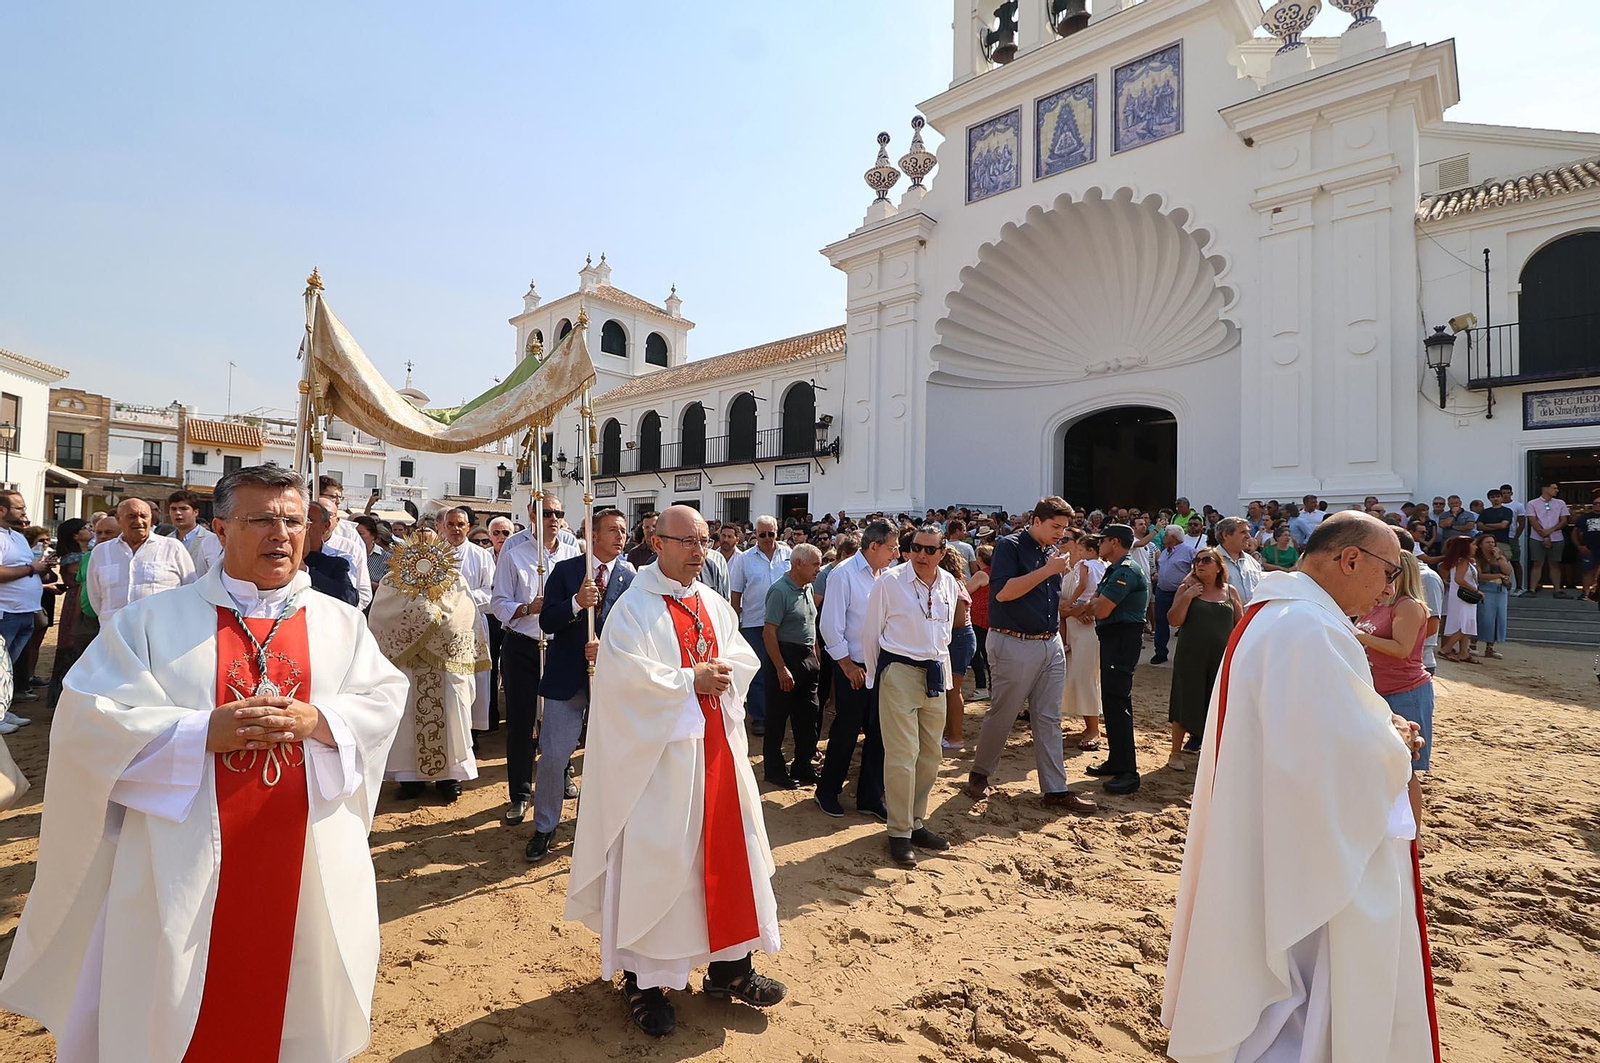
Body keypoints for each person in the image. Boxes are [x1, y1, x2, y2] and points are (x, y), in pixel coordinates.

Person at [0, 464, 407, 1061]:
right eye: (260, 519)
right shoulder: (153, 621)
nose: (281, 533)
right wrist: (197, 734)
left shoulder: (341, 622)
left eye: (293, 521)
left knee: (297, 993)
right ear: (219, 528)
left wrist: (318, 722)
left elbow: (382, 700)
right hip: (183, 855)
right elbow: (89, 722)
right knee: (174, 999)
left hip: (304, 850)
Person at [1162, 512, 1436, 1063]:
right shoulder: (1306, 627)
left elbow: (1311, 725)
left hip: (1276, 819)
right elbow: (1327, 751)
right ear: (1350, 558)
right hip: (1308, 841)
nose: (1390, 587)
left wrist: (1379, 726)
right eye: (1388, 571)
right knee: (1312, 985)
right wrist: (1395, 740)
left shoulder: (1284, 614)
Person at [564, 506, 785, 1037]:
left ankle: (730, 967)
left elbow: (739, 654)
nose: (698, 552)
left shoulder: (712, 601)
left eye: (704, 542)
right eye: (687, 542)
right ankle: (645, 982)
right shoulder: (631, 610)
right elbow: (621, 683)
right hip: (657, 769)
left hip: (717, 758)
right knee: (661, 867)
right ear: (656, 542)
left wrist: (724, 674)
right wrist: (690, 680)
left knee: (731, 857)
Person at [966, 497, 1094, 811]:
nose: (1060, 534)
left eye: (1064, 528)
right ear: (1036, 521)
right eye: (1055, 527)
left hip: (1048, 643)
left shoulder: (1050, 551)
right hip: (1013, 642)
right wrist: (1049, 569)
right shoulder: (1010, 546)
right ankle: (980, 773)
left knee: (1049, 718)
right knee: (1004, 713)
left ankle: (1055, 789)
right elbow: (1003, 593)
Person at [525, 508, 635, 862]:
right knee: (555, 756)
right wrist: (576, 603)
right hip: (566, 677)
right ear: (594, 534)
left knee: (611, 757)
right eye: (613, 530)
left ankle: (605, 824)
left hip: (613, 678)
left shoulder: (632, 577)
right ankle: (545, 825)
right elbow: (547, 619)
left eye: (624, 530)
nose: (621, 536)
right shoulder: (568, 570)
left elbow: (638, 629)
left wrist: (609, 647)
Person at [862, 524, 960, 868]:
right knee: (903, 755)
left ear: (942, 553)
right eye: (916, 547)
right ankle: (899, 831)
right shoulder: (889, 582)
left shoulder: (949, 583)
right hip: (899, 672)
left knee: (931, 755)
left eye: (930, 550)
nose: (921, 555)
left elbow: (944, 637)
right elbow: (871, 634)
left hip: (934, 674)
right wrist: (878, 678)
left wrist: (945, 679)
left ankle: (917, 821)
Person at [372, 531, 486, 803]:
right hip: (407, 663)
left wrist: (440, 619)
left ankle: (451, 777)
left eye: (429, 542)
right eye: (419, 541)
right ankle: (410, 779)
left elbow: (465, 615)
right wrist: (419, 618)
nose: (424, 547)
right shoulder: (392, 579)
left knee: (452, 714)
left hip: (444, 662)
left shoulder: (455, 579)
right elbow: (381, 616)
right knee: (407, 715)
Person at [491, 491, 581, 825]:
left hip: (560, 646)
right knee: (521, 719)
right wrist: (527, 608)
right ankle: (520, 792)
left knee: (563, 716)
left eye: (558, 513)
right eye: (546, 513)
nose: (553, 519)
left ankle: (562, 774)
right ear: (531, 513)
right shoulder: (513, 553)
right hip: (523, 643)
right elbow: (497, 602)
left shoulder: (574, 553)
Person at [815, 520, 894, 820]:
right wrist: (846, 665)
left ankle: (870, 796)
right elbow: (830, 625)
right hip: (854, 668)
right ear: (873, 546)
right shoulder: (843, 575)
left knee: (878, 733)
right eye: (891, 547)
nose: (895, 553)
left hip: (881, 667)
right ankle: (827, 791)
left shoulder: (886, 575)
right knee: (846, 733)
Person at [1356, 548, 1434, 830]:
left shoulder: (1408, 605)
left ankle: (1415, 835)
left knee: (1405, 769)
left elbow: (1401, 649)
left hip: (1405, 691)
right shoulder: (1379, 605)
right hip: (1378, 691)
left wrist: (1357, 635)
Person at [1083, 525, 1150, 795]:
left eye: (1103, 540)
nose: (1099, 544)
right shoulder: (1116, 567)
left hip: (1122, 637)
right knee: (1111, 701)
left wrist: (1094, 605)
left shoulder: (1126, 570)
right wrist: (1094, 605)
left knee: (1117, 701)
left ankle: (1128, 772)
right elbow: (1096, 601)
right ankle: (1117, 760)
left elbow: (1100, 608)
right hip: (1114, 638)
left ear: (1115, 541)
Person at [1164, 547, 1242, 770]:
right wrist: (1188, 596)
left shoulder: (1230, 592)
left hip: (1220, 657)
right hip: (1191, 655)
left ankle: (1211, 752)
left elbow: (1240, 625)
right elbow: (1174, 620)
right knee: (1184, 700)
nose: (1200, 563)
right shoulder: (1186, 588)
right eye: (1197, 560)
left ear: (1219, 567)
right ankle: (1175, 753)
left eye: (1206, 560)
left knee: (1216, 703)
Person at [759, 543, 822, 788]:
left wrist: (815, 655)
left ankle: (803, 765)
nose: (819, 569)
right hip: (785, 656)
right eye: (815, 564)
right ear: (799, 564)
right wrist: (781, 668)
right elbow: (768, 633)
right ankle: (774, 770)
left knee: (808, 714)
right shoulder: (780, 591)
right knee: (777, 717)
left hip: (807, 658)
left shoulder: (807, 587)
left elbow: (810, 624)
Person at [728, 514, 791, 738]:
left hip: (785, 623)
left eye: (770, 533)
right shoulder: (744, 559)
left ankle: (780, 714)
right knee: (758, 671)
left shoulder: (788, 555)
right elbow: (736, 592)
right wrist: (735, 623)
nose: (766, 538)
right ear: (755, 534)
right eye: (762, 534)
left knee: (782, 668)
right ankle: (760, 717)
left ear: (778, 532)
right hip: (755, 622)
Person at [86, 498, 197, 625]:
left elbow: (190, 590)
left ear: (151, 518)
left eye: (143, 516)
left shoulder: (172, 547)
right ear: (118, 519)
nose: (138, 521)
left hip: (161, 632)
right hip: (114, 634)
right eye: (131, 516)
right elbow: (95, 597)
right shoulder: (101, 552)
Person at [440, 507, 496, 733]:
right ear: (443, 527)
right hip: (440, 627)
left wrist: (460, 599)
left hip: (472, 625)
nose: (455, 529)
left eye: (460, 525)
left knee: (474, 677)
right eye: (451, 524)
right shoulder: (433, 555)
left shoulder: (481, 556)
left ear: (468, 527)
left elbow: (491, 591)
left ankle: (472, 728)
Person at [1058, 532, 1104, 751]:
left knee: (1085, 676)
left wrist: (1079, 608)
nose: (1062, 542)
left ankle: (1094, 727)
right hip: (1071, 627)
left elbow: (1098, 597)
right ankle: (1087, 724)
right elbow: (1058, 604)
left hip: (1088, 628)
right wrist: (1072, 611)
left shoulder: (1090, 567)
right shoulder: (1066, 569)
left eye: (1067, 539)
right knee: (1072, 676)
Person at [45, 518, 93, 710]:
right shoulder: (73, 558)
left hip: (81, 598)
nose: (89, 530)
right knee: (71, 645)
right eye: (84, 528)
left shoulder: (84, 554)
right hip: (75, 600)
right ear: (75, 535)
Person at [314, 478, 373, 609]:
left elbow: (363, 591)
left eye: (340, 497)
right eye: (333, 497)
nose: (338, 501)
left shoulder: (350, 536)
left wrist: (345, 616)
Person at [938, 548, 975, 753]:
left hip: (959, 638)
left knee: (953, 690)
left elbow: (959, 619)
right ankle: (950, 733)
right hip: (957, 638)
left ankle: (955, 737)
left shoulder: (953, 584)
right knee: (948, 690)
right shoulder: (951, 582)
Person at [1150, 525, 1196, 664]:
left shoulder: (1189, 551)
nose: (1163, 538)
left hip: (1181, 593)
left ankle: (1187, 654)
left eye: (1166, 535)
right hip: (1162, 592)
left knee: (1186, 624)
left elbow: (1195, 570)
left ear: (1174, 538)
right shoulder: (1165, 552)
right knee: (1160, 621)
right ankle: (1160, 652)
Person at [302, 499, 359, 605]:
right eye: (297, 521)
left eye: (308, 521)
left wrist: (306, 570)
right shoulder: (281, 557)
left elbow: (349, 598)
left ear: (325, 526)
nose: (303, 527)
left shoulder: (338, 563)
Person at [1524, 482, 1570, 597]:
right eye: (1554, 488)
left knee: (1555, 563)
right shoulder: (1532, 503)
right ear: (1545, 488)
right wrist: (1544, 535)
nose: (1556, 490)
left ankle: (1557, 590)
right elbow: (1532, 520)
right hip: (1537, 537)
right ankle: (1532, 589)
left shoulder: (1560, 503)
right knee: (1537, 563)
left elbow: (1564, 520)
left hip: (1557, 537)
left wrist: (1550, 531)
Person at [1437, 536, 1479, 663]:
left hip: (1461, 596)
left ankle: (1463, 652)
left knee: (1467, 623)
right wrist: (1476, 590)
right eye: (1473, 545)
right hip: (1463, 596)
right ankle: (1446, 649)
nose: (1476, 547)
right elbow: (1459, 579)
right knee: (1465, 624)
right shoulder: (1463, 561)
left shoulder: (1465, 561)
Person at [1473, 535, 1511, 658]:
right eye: (1488, 542)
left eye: (1493, 542)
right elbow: (1479, 575)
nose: (1491, 544)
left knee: (1498, 619)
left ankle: (1490, 647)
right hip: (1485, 588)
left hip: (1500, 590)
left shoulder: (1500, 557)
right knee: (1484, 617)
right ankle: (1472, 643)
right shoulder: (1476, 558)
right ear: (1480, 544)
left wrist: (1498, 557)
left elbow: (1508, 571)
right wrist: (1498, 576)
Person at [167, 489, 219, 575]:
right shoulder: (167, 540)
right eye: (173, 509)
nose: (178, 513)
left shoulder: (211, 540)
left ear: (195, 512)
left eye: (184, 509)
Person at [1215, 517, 1263, 604]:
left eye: (1248, 532)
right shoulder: (1209, 561)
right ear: (1225, 535)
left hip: (1252, 616)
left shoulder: (1252, 562)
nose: (1248, 536)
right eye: (1243, 532)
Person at [967, 543, 993, 699]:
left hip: (978, 619)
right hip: (990, 618)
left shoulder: (982, 574)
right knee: (988, 655)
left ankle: (981, 686)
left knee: (976, 653)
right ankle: (991, 688)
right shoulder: (997, 572)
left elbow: (965, 590)